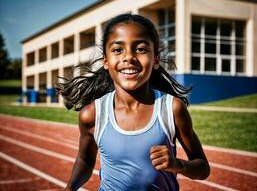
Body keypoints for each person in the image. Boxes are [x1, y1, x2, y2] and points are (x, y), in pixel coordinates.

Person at [56, 13, 210, 191]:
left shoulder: (171, 108)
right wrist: (70, 188)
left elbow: (203, 169)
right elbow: (85, 160)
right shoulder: (93, 114)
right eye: (117, 50)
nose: (128, 57)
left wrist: (178, 165)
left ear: (156, 60)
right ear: (106, 61)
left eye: (141, 49)